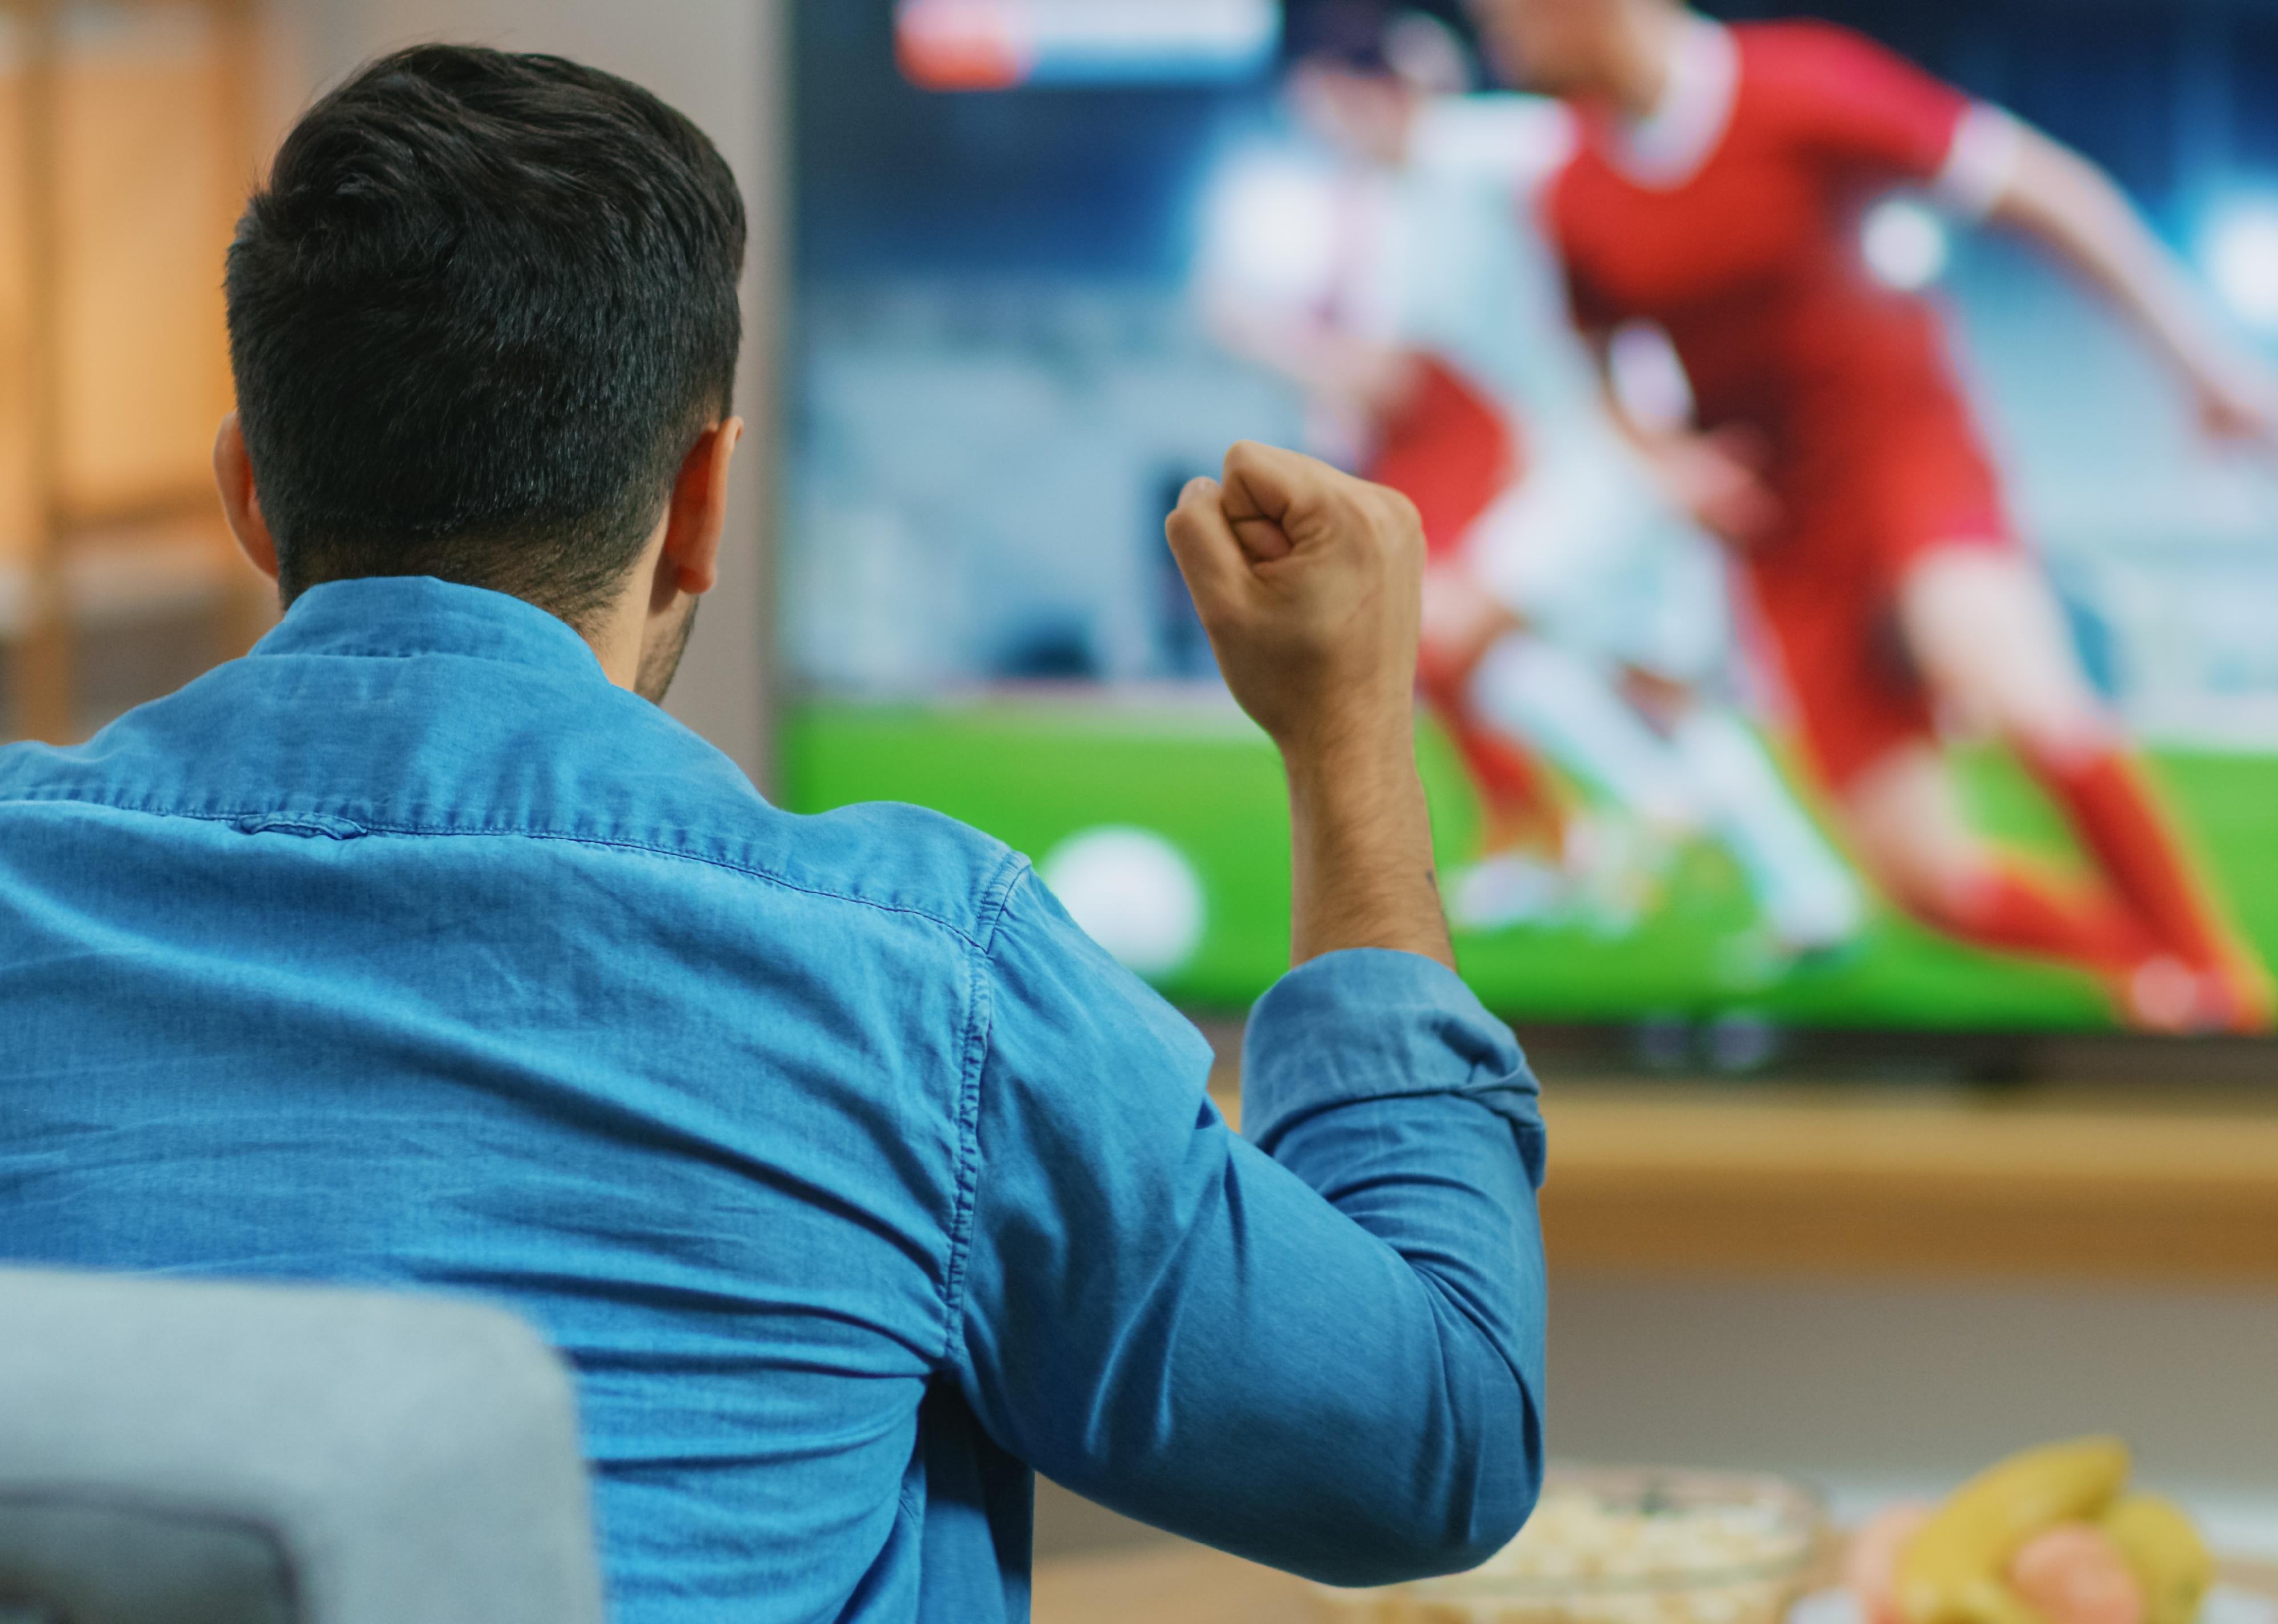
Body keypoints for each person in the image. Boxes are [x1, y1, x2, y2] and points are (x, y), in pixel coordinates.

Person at [0, 46, 1547, 1623]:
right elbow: (1436, 1444)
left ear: (250, 495)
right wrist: (1351, 732)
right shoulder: (919, 986)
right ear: (699, 505)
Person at [1464, 0, 2278, 1030]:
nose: (1491, 38)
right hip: (1783, 531)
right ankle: (2164, 980)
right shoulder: (1573, 188)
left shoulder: (1799, 88)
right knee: (1926, 883)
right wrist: (1666, 462)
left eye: (1502, 13)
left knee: (1996, 667)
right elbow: (1593, 359)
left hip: (1902, 453)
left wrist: (2199, 366)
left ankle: (2223, 994)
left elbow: (2048, 191)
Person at [1209, 4, 1864, 958]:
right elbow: (1391, 373)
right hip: (1577, 459)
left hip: (1624, 452)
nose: (1325, 133)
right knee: (1649, 685)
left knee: (1448, 634)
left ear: (1371, 93)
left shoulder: (1490, 147)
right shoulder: (1400, 221)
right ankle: (1810, 897)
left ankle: (1646, 808)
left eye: (1329, 109)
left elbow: (1623, 168)